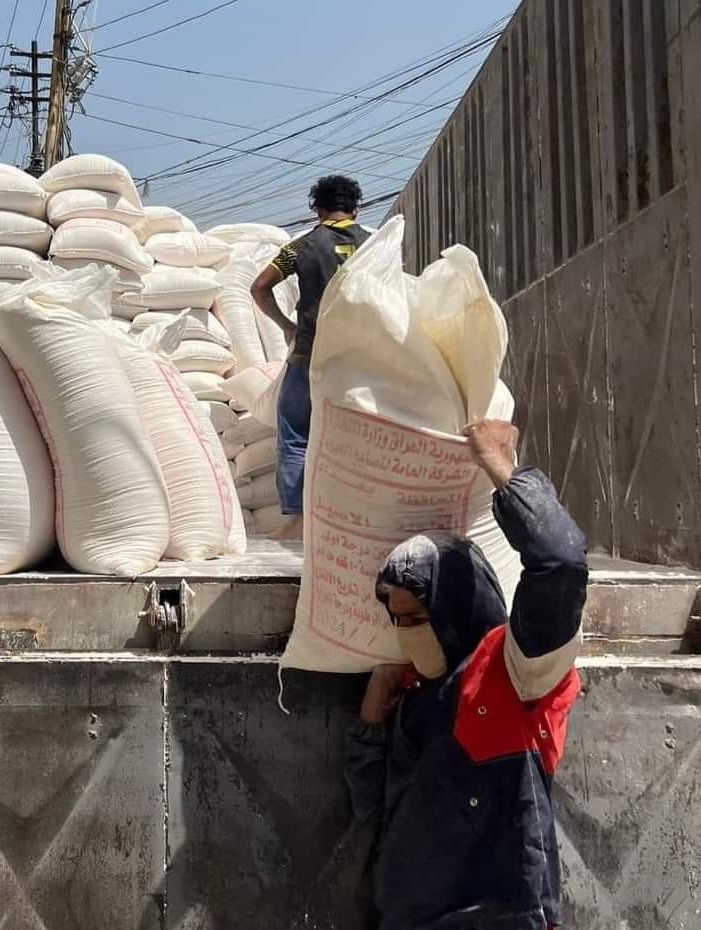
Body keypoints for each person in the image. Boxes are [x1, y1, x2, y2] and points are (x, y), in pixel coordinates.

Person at [344, 419, 588, 930]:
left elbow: (561, 562)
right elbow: (379, 815)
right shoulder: (414, 698)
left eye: (417, 616)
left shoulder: (513, 673)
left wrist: (499, 465)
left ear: (457, 606)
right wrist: (370, 724)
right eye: (396, 620)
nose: (405, 634)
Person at [250, 175, 370, 539]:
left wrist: (287, 325)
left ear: (317, 209)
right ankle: (356, 513)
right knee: (357, 435)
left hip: (309, 353)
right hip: (361, 361)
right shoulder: (373, 245)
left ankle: (299, 520)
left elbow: (259, 288)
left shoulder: (300, 247)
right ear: (355, 208)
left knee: (295, 433)